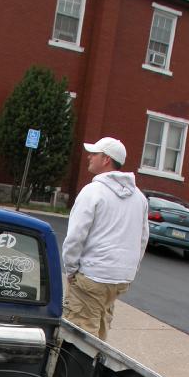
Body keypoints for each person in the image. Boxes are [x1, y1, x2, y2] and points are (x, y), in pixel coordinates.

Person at [63, 136, 149, 341]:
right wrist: (130, 270)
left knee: (79, 336)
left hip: (93, 275)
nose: (89, 157)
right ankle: (96, 361)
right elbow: (142, 239)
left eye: (94, 154)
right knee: (100, 331)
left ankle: (81, 363)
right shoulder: (139, 198)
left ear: (106, 159)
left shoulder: (93, 192)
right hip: (119, 278)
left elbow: (76, 236)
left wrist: (71, 269)